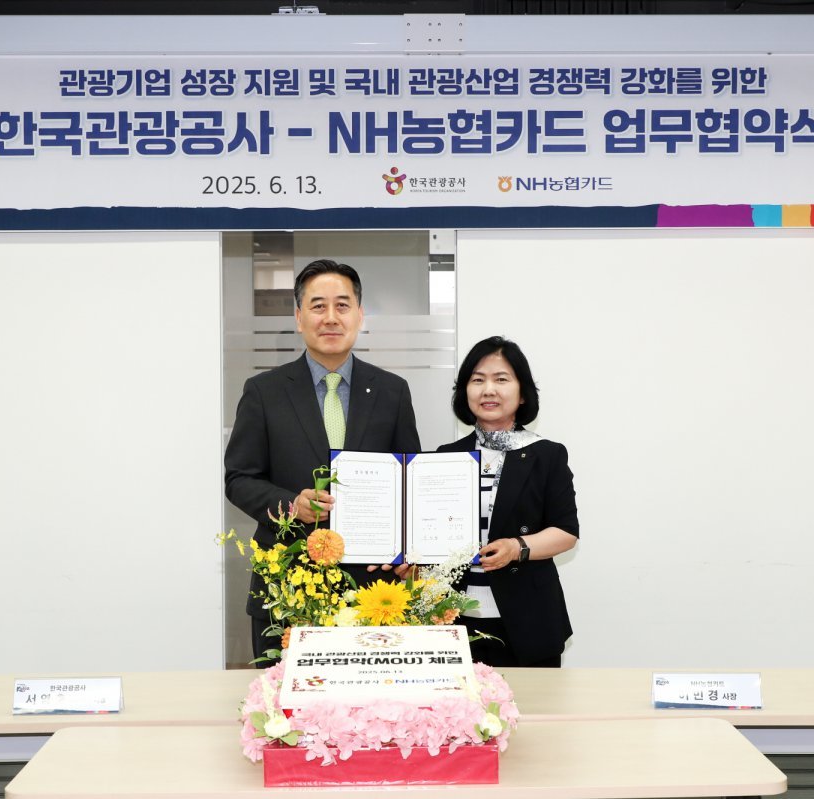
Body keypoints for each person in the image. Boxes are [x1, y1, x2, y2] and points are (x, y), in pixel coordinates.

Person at [225, 259, 421, 662]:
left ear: (359, 315)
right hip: (286, 586)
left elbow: (410, 483)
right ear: (299, 317)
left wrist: (408, 551)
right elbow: (239, 478)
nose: (331, 317)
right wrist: (290, 505)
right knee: (283, 698)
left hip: (372, 588)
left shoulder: (392, 391)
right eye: (318, 306)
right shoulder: (264, 391)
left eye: (342, 305)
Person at [437, 336, 579, 667]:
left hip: (527, 619)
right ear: (465, 391)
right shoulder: (445, 456)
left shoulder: (547, 455)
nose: (489, 390)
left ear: (522, 392)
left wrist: (517, 547)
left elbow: (566, 532)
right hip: (454, 619)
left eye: (501, 379)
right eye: (477, 380)